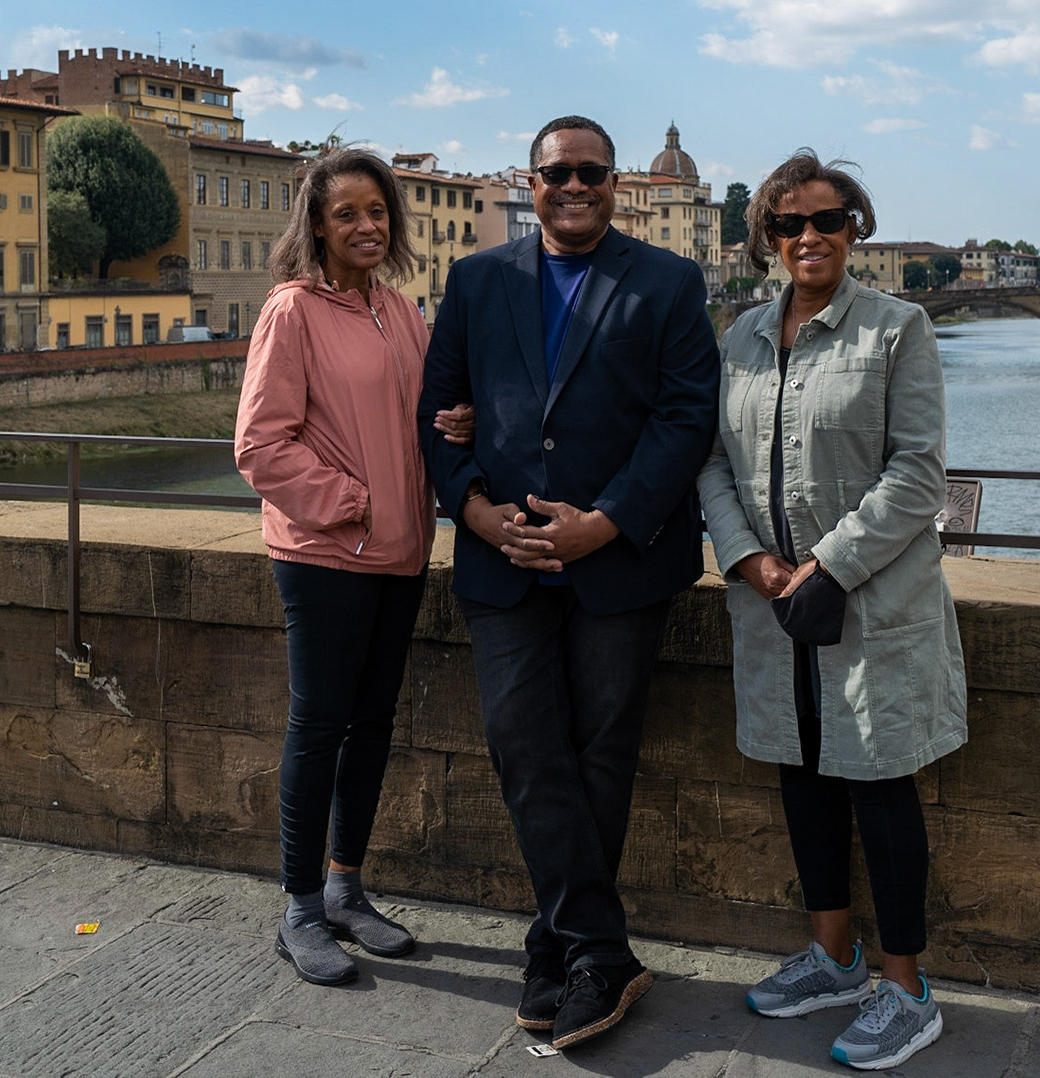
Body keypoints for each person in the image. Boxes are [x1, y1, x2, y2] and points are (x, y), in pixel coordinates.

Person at [417, 115, 719, 1050]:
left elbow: (686, 419)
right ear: (533, 181)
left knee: (602, 754)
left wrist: (604, 522)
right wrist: (470, 510)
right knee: (521, 743)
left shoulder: (668, 281)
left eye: (591, 172)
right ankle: (601, 949)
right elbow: (436, 410)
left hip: (618, 560)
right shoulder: (475, 280)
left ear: (616, 184)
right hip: (501, 555)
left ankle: (560, 947)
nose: (574, 186)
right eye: (557, 173)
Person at [695, 151, 968, 1070]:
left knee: (880, 780)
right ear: (765, 237)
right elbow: (714, 465)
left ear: (857, 228)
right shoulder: (739, 338)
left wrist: (827, 565)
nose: (808, 237)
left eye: (828, 219)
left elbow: (918, 473)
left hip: (871, 604)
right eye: (789, 224)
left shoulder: (899, 328)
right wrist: (750, 559)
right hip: (771, 603)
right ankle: (834, 955)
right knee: (800, 769)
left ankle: (906, 988)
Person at [235, 146, 470, 986]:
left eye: (378, 212)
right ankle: (299, 908)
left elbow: (414, 420)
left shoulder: (398, 312)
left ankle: (346, 889)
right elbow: (260, 446)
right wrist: (353, 503)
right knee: (319, 725)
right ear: (319, 226)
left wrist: (457, 428)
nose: (367, 226)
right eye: (348, 215)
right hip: (328, 555)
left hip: (400, 554)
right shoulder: (290, 312)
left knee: (372, 726)